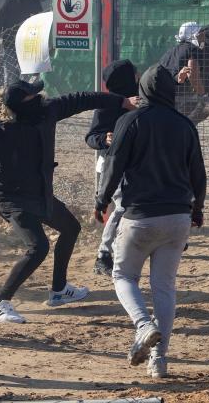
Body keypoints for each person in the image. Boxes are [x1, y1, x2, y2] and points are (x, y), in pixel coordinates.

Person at [0, 78, 135, 323]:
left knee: (71, 228)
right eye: (32, 96)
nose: (39, 98)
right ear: (19, 106)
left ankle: (59, 290)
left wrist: (122, 101)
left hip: (40, 193)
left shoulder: (46, 111)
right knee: (38, 247)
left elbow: (82, 99)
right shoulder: (0, 130)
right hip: (13, 200)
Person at [95, 65, 206, 379]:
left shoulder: (130, 120)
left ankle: (143, 325)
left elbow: (113, 165)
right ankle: (159, 360)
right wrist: (196, 209)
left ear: (142, 89)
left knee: (123, 275)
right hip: (178, 218)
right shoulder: (185, 125)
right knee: (164, 288)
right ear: (171, 91)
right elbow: (198, 173)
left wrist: (101, 200)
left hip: (140, 217)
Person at [85, 59, 140, 276]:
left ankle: (114, 252)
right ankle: (104, 255)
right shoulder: (107, 104)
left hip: (136, 164)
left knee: (127, 208)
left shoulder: (140, 97)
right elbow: (91, 137)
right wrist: (104, 139)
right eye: (134, 73)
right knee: (121, 208)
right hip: (112, 164)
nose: (138, 76)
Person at [0, 0, 43, 86]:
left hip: (29, 46)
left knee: (27, 77)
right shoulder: (10, 3)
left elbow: (42, 25)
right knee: (10, 77)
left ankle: (25, 101)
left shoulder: (35, 4)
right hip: (10, 45)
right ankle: (9, 100)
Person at [159, 22, 208, 123]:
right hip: (178, 95)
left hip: (162, 92)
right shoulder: (194, 50)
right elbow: (192, 75)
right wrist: (203, 95)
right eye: (201, 32)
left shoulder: (172, 50)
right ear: (194, 36)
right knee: (178, 122)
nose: (204, 35)